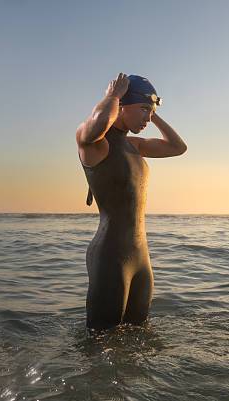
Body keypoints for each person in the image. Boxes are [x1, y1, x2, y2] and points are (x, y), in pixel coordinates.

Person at [76, 73, 187, 330]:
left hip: (141, 259)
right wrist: (113, 95)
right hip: (111, 256)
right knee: (101, 340)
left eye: (151, 112)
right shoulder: (94, 143)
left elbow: (177, 147)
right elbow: (99, 122)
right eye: (144, 110)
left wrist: (152, 111)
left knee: (139, 338)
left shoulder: (134, 146)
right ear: (122, 107)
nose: (148, 118)